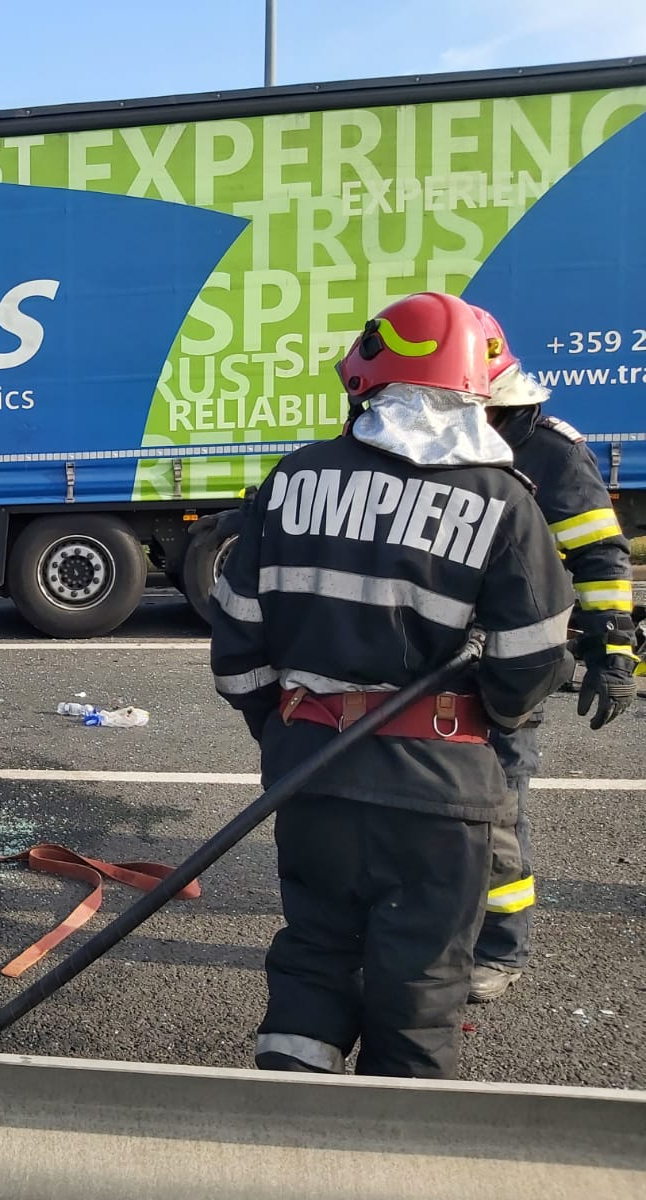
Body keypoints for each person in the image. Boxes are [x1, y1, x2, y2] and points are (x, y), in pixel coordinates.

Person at [210, 291, 573, 1078]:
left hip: (311, 773)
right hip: (439, 789)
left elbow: (236, 641)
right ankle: (393, 1138)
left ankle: (284, 1119)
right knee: (419, 985)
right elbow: (534, 662)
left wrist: (288, 729)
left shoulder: (293, 478)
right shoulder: (502, 501)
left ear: (365, 383)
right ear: (476, 394)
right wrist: (491, 712)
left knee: (313, 958)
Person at [465, 306, 639, 1003]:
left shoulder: (551, 454)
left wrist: (613, 654)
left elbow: (599, 556)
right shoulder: (445, 446)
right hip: (434, 662)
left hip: (512, 666)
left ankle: (500, 947)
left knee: (497, 808)